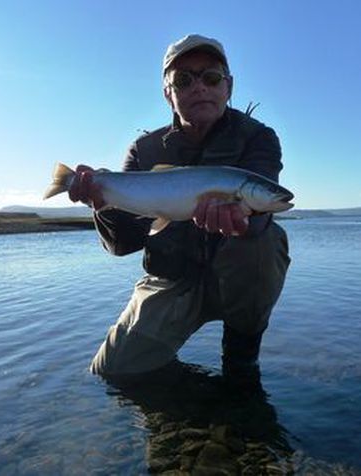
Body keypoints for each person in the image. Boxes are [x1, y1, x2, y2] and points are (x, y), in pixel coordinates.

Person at [68, 34, 290, 379]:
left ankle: (241, 360)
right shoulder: (143, 150)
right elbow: (122, 244)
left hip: (237, 275)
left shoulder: (258, 137)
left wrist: (244, 223)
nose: (199, 87)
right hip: (170, 279)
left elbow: (262, 215)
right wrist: (102, 203)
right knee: (111, 373)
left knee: (263, 243)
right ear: (168, 94)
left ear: (228, 87)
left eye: (211, 77)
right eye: (183, 80)